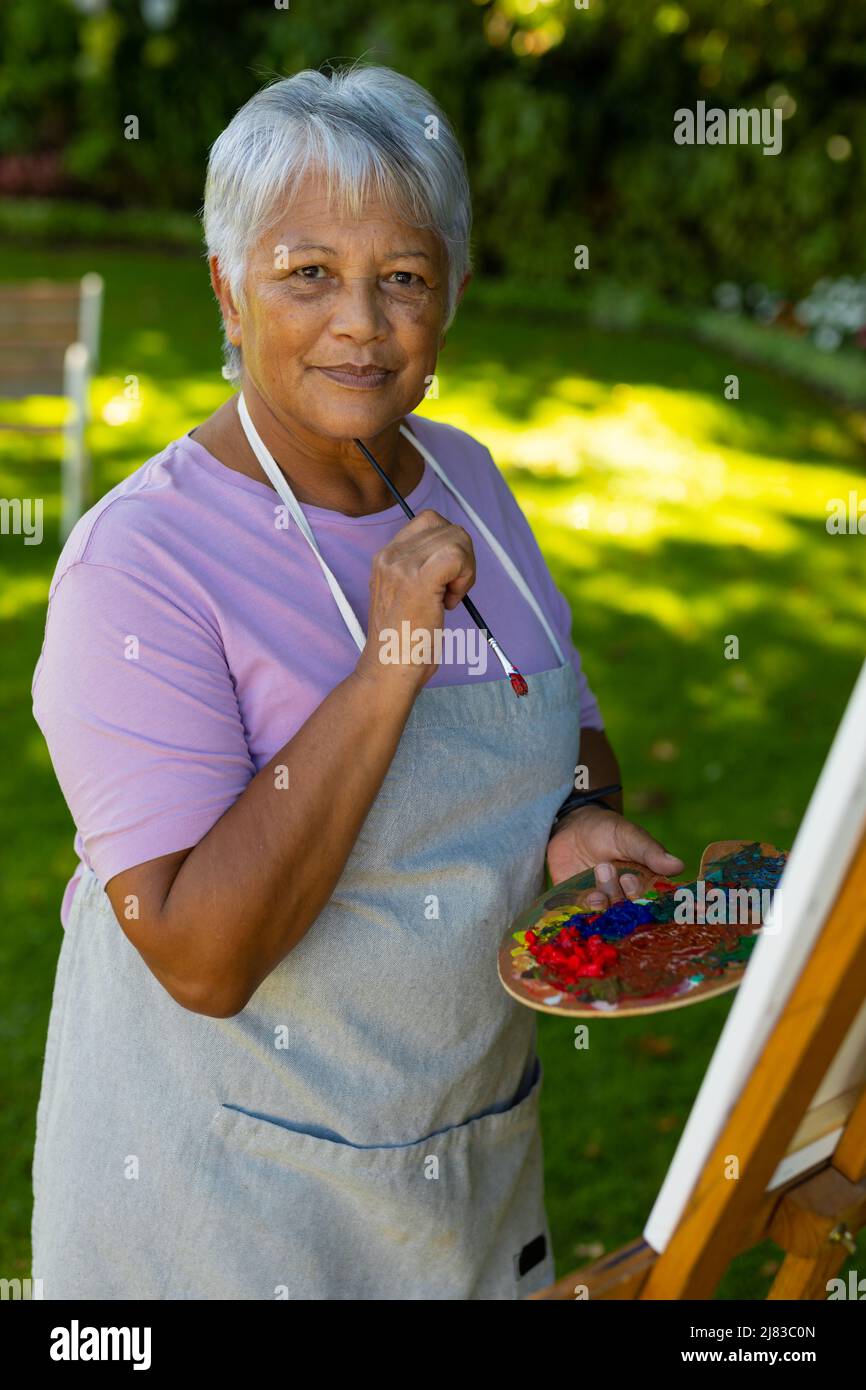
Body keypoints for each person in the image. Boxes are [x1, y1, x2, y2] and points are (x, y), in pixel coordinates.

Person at [30, 63, 683, 1300]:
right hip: (225, 1208)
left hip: (457, 1169)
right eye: (308, 273)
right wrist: (388, 662)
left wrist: (574, 815)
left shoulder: (469, 481)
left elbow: (567, 723)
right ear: (227, 289)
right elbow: (199, 957)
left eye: (402, 279)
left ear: (452, 297)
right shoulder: (138, 566)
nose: (360, 325)